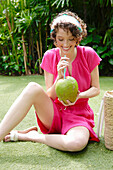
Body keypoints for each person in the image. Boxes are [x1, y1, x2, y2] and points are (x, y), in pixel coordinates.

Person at [0, 10, 101, 152]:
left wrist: (79, 96)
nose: (65, 44)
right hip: (54, 113)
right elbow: (50, 96)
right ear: (54, 39)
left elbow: (96, 89)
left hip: (78, 116)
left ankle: (31, 136)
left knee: (76, 144)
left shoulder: (88, 54)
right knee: (32, 88)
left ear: (78, 38)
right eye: (60, 39)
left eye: (71, 39)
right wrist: (59, 77)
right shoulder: (49, 56)